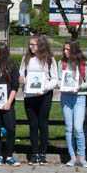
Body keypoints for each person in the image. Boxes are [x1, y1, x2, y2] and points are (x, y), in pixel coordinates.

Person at [19, 33, 59, 165]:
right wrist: (23, 80)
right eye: (29, 44)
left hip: (44, 95)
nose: (30, 47)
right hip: (29, 95)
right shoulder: (26, 58)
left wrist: (45, 88)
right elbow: (22, 73)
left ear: (40, 45)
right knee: (33, 124)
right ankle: (34, 153)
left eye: (33, 44)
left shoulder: (49, 59)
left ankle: (43, 154)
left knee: (43, 124)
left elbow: (54, 79)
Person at [60, 39, 87, 167]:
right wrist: (63, 86)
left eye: (68, 49)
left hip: (79, 97)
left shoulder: (84, 64)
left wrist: (79, 86)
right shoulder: (62, 63)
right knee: (69, 128)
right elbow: (59, 79)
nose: (65, 51)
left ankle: (82, 157)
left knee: (78, 128)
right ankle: (72, 157)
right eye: (64, 49)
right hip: (66, 97)